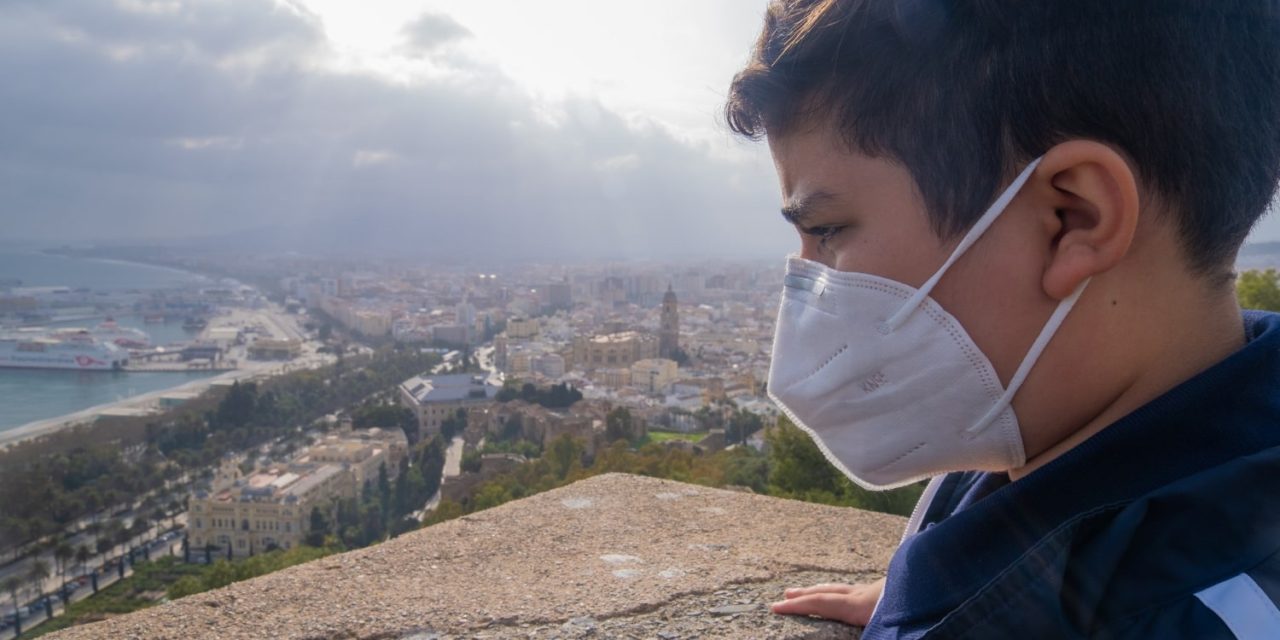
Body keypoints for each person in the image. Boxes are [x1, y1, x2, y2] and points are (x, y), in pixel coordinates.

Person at [724, 1, 1280, 638]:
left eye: (827, 230)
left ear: (1073, 219)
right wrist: (949, 591)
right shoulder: (1035, 426)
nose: (808, 279)